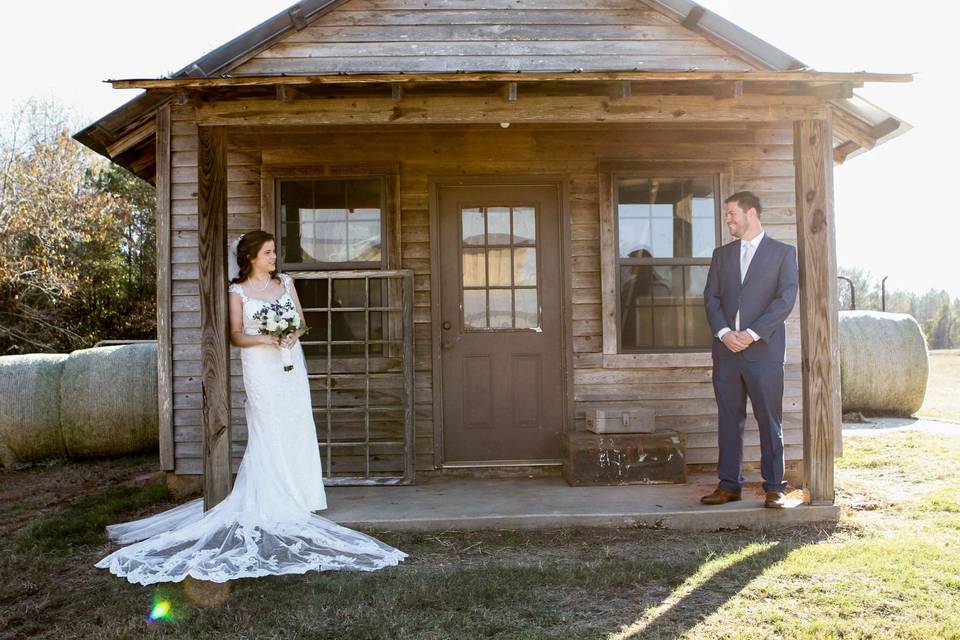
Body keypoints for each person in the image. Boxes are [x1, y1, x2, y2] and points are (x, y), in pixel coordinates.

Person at [95, 231, 406, 585]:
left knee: (297, 423)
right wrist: (265, 337)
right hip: (260, 365)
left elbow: (301, 322)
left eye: (275, 252)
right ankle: (276, 495)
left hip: (290, 361)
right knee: (269, 424)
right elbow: (235, 334)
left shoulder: (285, 282)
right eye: (269, 252)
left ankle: (303, 494)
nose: (275, 257)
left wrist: (291, 334)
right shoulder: (237, 291)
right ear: (252, 256)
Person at [701, 192, 798, 509]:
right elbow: (711, 299)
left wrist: (752, 334)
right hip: (726, 352)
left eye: (732, 213)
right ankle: (729, 485)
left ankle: (775, 487)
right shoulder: (721, 255)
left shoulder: (783, 253)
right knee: (729, 420)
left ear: (751, 213)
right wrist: (726, 333)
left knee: (770, 420)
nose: (727, 219)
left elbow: (784, 300)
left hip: (764, 352)